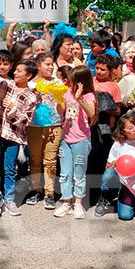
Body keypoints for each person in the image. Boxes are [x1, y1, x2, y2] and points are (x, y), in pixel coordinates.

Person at [0, 59, 38, 218]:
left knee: (9, 169)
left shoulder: (31, 97)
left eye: (19, 71)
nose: (15, 73)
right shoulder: (5, 85)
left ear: (28, 75)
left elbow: (25, 121)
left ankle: (9, 199)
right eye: (15, 70)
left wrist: (13, 108)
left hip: (14, 135)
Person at [54, 66, 97, 219]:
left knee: (79, 172)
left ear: (81, 83)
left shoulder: (89, 96)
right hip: (66, 139)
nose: (69, 84)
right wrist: (58, 98)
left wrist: (79, 98)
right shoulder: (67, 93)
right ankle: (66, 202)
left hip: (81, 140)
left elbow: (92, 114)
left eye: (72, 81)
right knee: (65, 173)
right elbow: (61, 111)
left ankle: (78, 202)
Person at [25, 53, 64, 209]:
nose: (50, 67)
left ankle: (49, 192)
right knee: (35, 159)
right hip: (34, 127)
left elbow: (62, 110)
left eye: (52, 64)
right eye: (47, 64)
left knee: (50, 160)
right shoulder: (29, 85)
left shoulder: (57, 82)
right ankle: (35, 189)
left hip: (54, 126)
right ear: (38, 65)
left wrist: (59, 96)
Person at [90, 53, 122, 215]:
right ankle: (90, 192)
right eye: (97, 68)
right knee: (90, 160)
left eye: (103, 69)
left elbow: (117, 111)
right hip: (89, 127)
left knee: (102, 160)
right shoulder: (90, 82)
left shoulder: (113, 87)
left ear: (110, 71)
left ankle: (101, 194)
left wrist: (104, 105)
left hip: (105, 129)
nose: (99, 72)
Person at [104, 111, 135, 219]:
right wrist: (115, 163)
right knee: (108, 175)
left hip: (130, 182)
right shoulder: (118, 144)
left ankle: (129, 196)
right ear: (123, 131)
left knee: (125, 216)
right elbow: (108, 166)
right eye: (130, 128)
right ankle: (106, 196)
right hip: (117, 177)